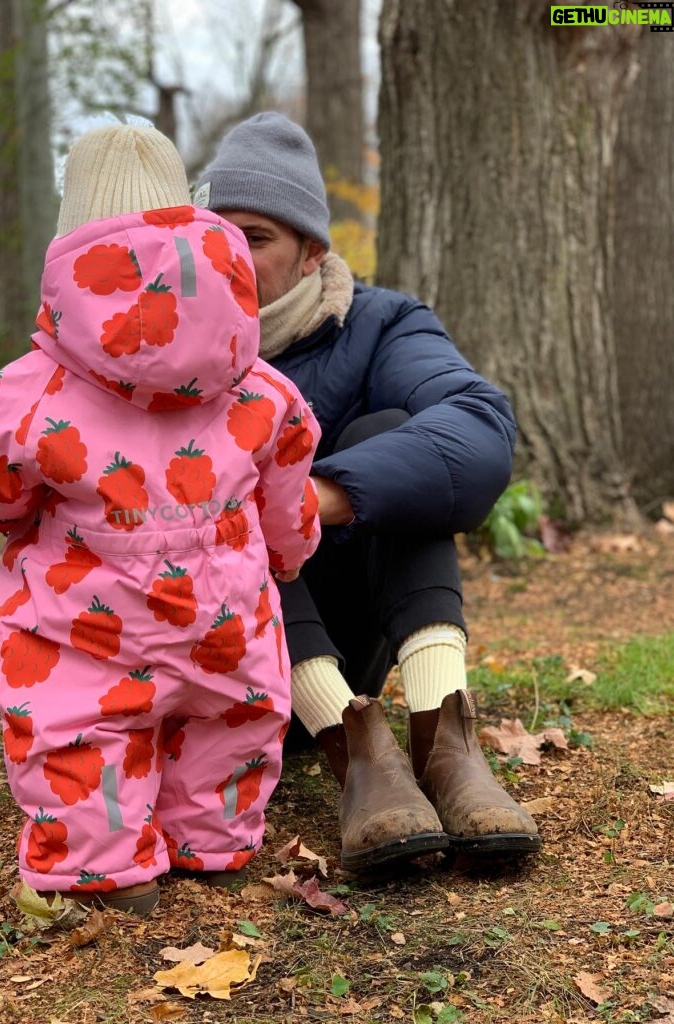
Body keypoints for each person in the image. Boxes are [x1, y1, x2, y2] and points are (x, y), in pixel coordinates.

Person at [0, 122, 321, 915]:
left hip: (85, 637)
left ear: (72, 245)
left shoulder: (29, 391)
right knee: (229, 724)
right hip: (227, 630)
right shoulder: (263, 390)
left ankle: (101, 866)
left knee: (77, 734)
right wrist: (288, 555)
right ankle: (211, 842)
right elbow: (290, 515)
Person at [193, 112, 540, 877]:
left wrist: (320, 495)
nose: (225, 258)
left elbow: (479, 428)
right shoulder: (161, 345)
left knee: (396, 437)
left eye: (252, 239)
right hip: (210, 658)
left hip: (348, 626)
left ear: (313, 250)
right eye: (212, 235)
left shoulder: (383, 323)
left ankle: (442, 744)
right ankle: (354, 757)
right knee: (220, 478)